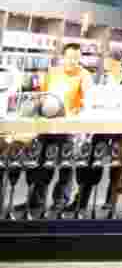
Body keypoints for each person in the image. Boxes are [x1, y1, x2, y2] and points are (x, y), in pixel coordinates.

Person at [25, 43, 94, 217]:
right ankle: (36, 201)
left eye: (77, 58)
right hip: (47, 124)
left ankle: (59, 203)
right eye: (70, 57)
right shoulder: (53, 72)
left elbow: (89, 101)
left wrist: (79, 113)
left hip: (69, 128)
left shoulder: (84, 75)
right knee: (41, 163)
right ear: (63, 56)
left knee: (65, 167)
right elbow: (42, 95)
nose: (73, 61)